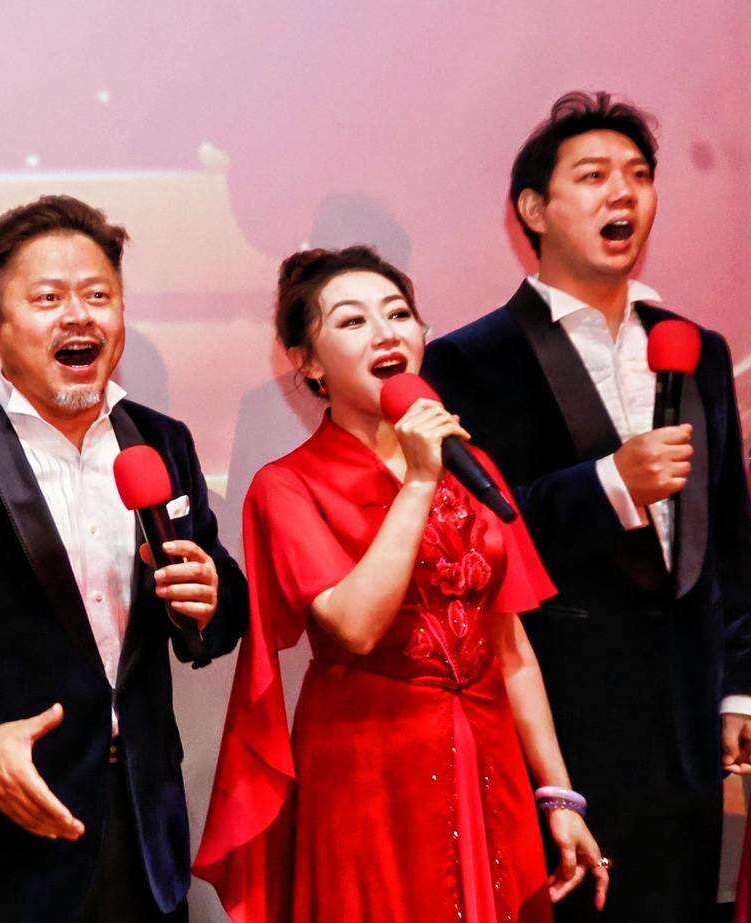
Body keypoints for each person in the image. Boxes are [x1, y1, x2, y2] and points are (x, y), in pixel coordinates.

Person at [0, 194, 249, 922]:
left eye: (98, 295)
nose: (79, 316)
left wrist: (214, 601)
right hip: (0, 834)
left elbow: (214, 612)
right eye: (49, 298)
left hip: (142, 829)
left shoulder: (162, 441)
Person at [195, 245, 608, 923]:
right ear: (308, 363)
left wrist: (559, 796)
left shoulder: (471, 464)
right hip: (370, 771)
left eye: (398, 314)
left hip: (489, 759)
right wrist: (419, 481)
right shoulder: (286, 485)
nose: (386, 332)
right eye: (352, 321)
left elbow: (511, 648)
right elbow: (354, 626)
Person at [421, 91, 751, 922]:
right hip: (563, 729)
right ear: (534, 209)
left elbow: (729, 536)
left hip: (690, 727)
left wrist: (738, 690)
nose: (623, 194)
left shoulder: (698, 349)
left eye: (638, 175)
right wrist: (610, 485)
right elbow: (476, 543)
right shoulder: (470, 360)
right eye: (595, 176)